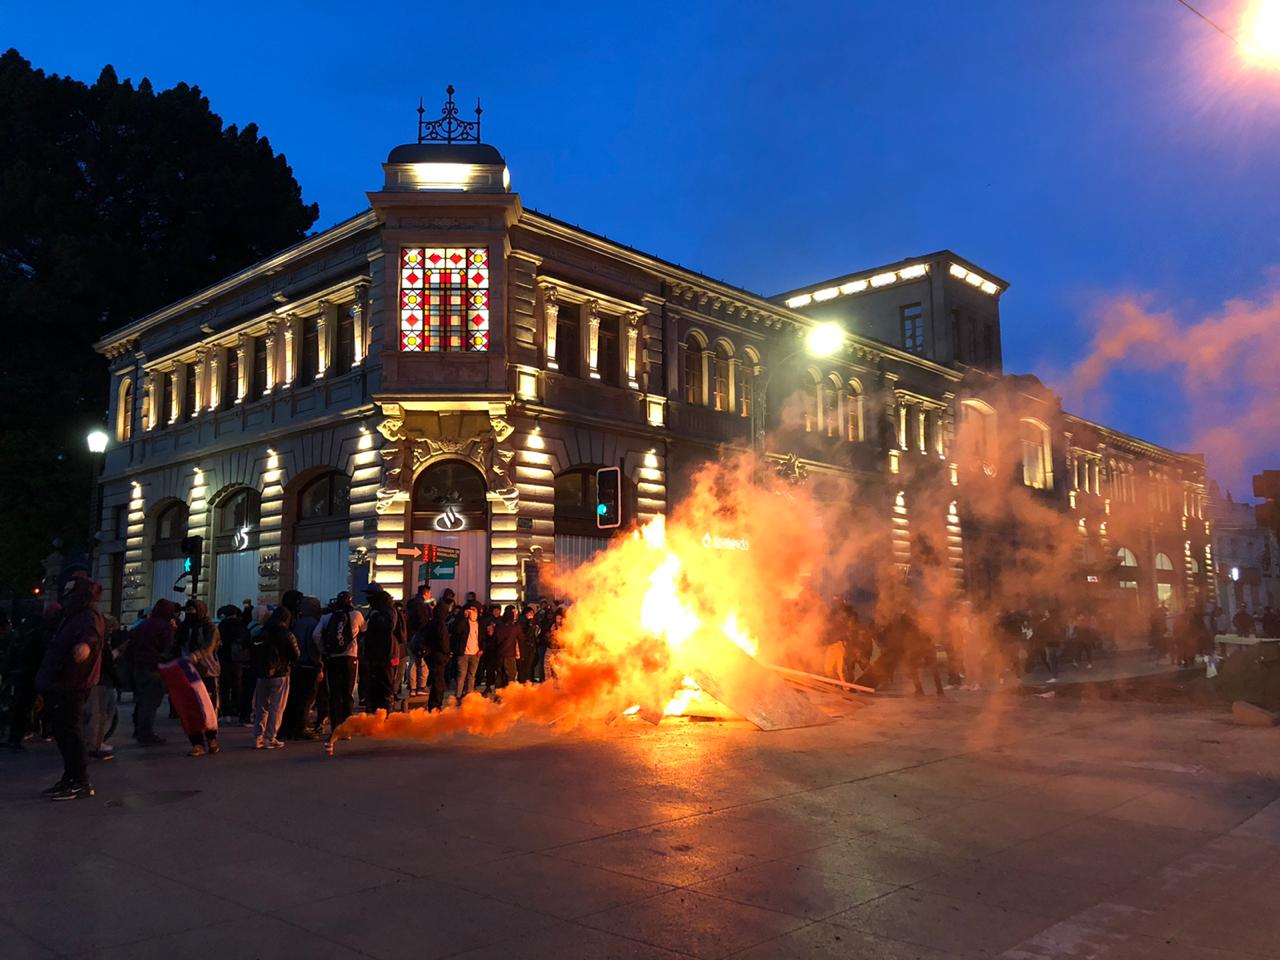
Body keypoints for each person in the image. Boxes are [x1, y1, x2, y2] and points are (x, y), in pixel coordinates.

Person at [35, 574, 105, 801]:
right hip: (64, 682)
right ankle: (71, 777)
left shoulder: (88, 615)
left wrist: (84, 646)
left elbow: (91, 636)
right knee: (64, 732)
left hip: (73, 683)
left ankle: (80, 781)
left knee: (70, 732)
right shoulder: (73, 615)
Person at [315, 592, 364, 751]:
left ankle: (336, 728)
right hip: (350, 658)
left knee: (334, 694)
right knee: (348, 694)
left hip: (332, 659)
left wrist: (325, 650)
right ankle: (347, 730)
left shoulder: (326, 617)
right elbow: (364, 629)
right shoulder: (356, 614)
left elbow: (316, 635)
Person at [127, 599, 177, 745]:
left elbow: (131, 644)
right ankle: (146, 733)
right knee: (151, 702)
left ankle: (139, 730)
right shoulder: (164, 627)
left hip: (139, 666)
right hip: (154, 667)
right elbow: (167, 648)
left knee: (141, 700)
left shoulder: (142, 625)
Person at [250, 606, 298, 749]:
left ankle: (257, 737)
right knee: (277, 707)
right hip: (281, 673)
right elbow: (295, 654)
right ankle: (270, 737)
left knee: (261, 706)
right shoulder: (286, 634)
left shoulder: (261, 631)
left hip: (261, 673)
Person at [280, 596, 323, 740]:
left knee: (294, 698)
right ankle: (301, 728)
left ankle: (288, 728)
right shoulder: (314, 624)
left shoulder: (297, 622)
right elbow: (313, 647)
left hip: (296, 665)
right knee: (306, 699)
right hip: (309, 665)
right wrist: (319, 666)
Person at [84, 615, 123, 761]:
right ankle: (96, 744)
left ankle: (94, 741)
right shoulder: (100, 643)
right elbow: (107, 662)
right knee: (100, 713)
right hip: (101, 681)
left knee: (97, 712)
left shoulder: (93, 640)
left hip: (96, 680)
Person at [178, 599, 220, 714]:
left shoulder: (210, 627)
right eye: (187, 610)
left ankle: (210, 719)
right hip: (188, 666)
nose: (189, 613)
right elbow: (177, 644)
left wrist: (196, 655)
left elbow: (209, 647)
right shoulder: (184, 627)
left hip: (207, 667)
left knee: (208, 696)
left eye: (192, 610)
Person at [363, 586, 398, 713]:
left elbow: (388, 626)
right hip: (376, 654)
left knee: (385, 686)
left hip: (385, 654)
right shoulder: (377, 610)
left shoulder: (387, 611)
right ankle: (377, 711)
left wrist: (375, 617)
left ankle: (386, 713)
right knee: (375, 685)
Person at [425, 594, 455, 711]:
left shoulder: (432, 622)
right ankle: (435, 706)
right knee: (439, 682)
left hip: (433, 654)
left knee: (437, 681)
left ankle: (434, 704)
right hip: (439, 655)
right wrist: (448, 652)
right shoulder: (440, 624)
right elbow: (443, 641)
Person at [215, 606, 246, 720]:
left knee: (224, 686)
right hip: (237, 659)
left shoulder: (222, 625)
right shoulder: (241, 625)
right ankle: (236, 710)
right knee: (237, 685)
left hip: (223, 658)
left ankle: (225, 711)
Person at [404, 584, 433, 696]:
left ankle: (412, 688)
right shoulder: (423, 606)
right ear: (425, 593)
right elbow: (424, 622)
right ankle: (421, 686)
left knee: (412, 662)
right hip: (420, 637)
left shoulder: (411, 604)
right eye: (429, 593)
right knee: (423, 663)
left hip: (410, 636)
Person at [451, 604, 483, 702]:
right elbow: (456, 630)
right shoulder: (463, 622)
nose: (472, 612)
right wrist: (463, 617)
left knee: (471, 675)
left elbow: (483, 638)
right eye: (470, 610)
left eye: (474, 610)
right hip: (463, 653)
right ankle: (458, 695)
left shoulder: (479, 624)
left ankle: (469, 694)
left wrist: (482, 649)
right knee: (461, 675)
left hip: (475, 653)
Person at [493, 605, 522, 690]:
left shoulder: (498, 626)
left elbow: (495, 640)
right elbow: (522, 639)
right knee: (511, 676)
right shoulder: (515, 627)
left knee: (499, 675)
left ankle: (499, 695)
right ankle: (510, 696)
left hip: (499, 654)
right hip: (510, 655)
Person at [517, 606, 541, 683]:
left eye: (532, 613)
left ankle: (529, 680)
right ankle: (523, 681)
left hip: (532, 646)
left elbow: (536, 633)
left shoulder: (533, 622)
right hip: (524, 647)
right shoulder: (522, 623)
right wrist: (530, 625)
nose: (531, 614)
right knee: (524, 666)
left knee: (530, 665)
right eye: (529, 613)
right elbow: (525, 635)